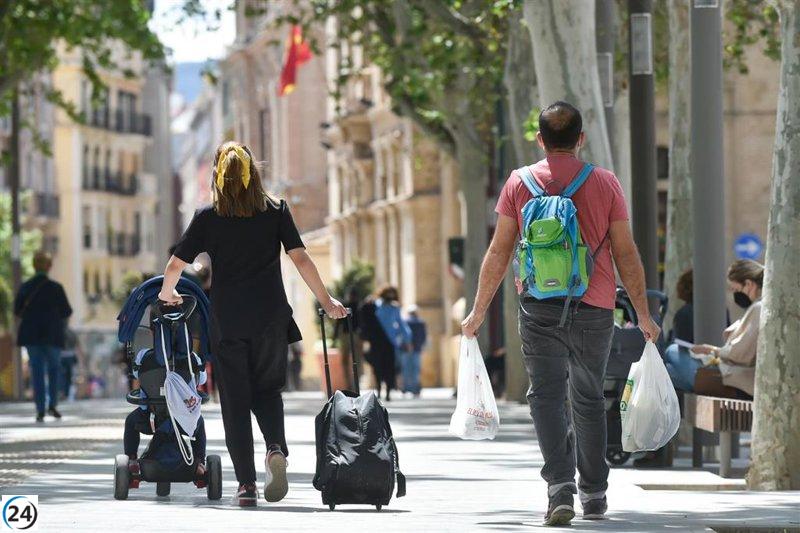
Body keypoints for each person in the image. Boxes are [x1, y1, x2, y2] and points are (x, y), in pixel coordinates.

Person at [461, 102, 660, 526]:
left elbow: (499, 251)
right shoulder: (604, 182)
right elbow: (625, 252)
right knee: (588, 398)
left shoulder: (519, 183)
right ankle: (595, 492)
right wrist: (643, 314)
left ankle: (559, 489)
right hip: (595, 305)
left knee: (547, 397)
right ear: (581, 139)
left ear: (540, 139)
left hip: (537, 305)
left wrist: (478, 311)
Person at [158, 141, 346, 507]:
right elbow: (301, 258)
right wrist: (327, 301)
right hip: (270, 318)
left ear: (217, 175)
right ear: (253, 174)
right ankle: (275, 448)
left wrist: (168, 293)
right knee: (269, 391)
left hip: (229, 321)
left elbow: (176, 265)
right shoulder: (275, 210)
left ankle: (246, 485)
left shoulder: (208, 215)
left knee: (235, 402)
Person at [686, 260, 763, 398]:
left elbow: (739, 354)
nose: (735, 295)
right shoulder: (760, 307)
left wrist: (711, 350)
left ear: (749, 284)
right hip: (739, 376)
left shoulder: (758, 308)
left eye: (735, 289)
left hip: (739, 380)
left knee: (673, 355)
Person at [123, 352, 208, 478]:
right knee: (199, 423)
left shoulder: (144, 355)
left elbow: (136, 374)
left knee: (131, 421)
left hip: (152, 417)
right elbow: (202, 379)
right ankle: (200, 461)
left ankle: (132, 459)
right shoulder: (193, 358)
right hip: (183, 420)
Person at [14, 251, 73, 422]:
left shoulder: (25, 287)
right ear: (49, 266)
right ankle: (52, 405)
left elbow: (17, 310)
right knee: (54, 369)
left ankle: (40, 409)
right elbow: (67, 311)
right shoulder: (55, 288)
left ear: (34, 266)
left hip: (31, 336)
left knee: (37, 371)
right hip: (52, 336)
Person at [372, 286, 412, 402]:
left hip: (391, 342)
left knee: (390, 368)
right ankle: (378, 390)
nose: (390, 296)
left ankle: (388, 392)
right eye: (388, 293)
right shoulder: (375, 305)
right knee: (378, 367)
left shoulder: (395, 308)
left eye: (392, 293)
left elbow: (401, 324)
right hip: (377, 341)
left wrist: (407, 340)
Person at [403, 305, 427, 397]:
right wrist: (421, 346)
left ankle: (406, 388)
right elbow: (423, 337)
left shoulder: (405, 321)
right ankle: (415, 389)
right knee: (415, 369)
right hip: (417, 349)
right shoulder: (421, 322)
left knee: (406, 368)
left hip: (406, 349)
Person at [60, 325, 81, 401]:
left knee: (62, 375)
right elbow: (77, 345)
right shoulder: (71, 332)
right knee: (68, 375)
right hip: (70, 356)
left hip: (61, 356)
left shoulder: (59, 332)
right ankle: (65, 393)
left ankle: (62, 392)